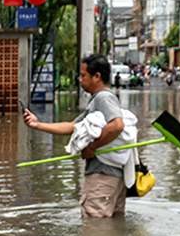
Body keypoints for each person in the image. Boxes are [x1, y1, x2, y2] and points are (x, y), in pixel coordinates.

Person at [22, 54, 129, 218]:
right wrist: (38, 124)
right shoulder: (97, 101)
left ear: (97, 76)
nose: (80, 79)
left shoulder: (103, 98)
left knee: (94, 227)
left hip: (102, 175)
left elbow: (117, 125)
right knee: (109, 226)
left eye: (83, 75)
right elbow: (72, 126)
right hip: (113, 176)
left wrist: (92, 148)